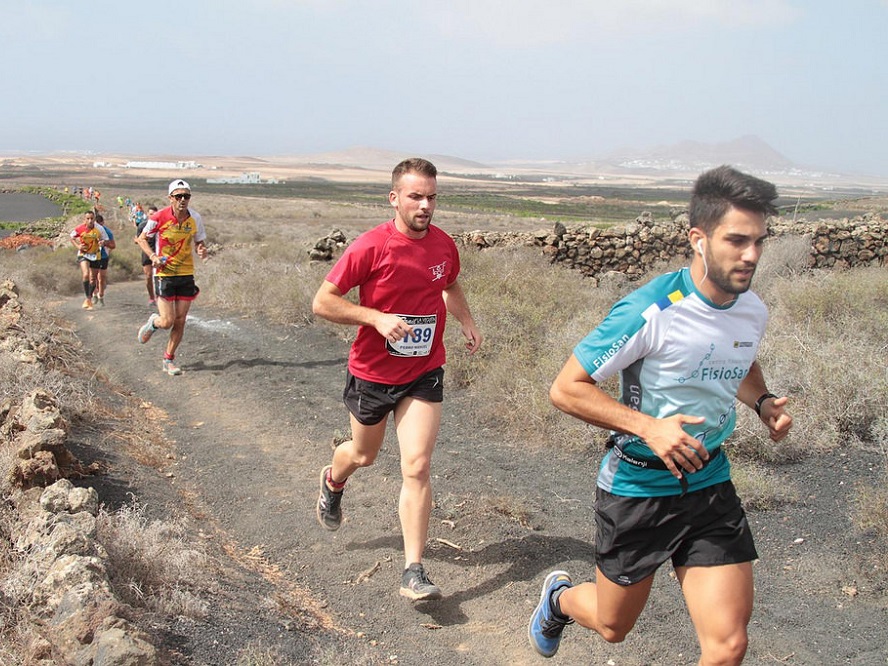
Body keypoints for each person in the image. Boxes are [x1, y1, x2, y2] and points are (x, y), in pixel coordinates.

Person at [530, 165, 794, 664]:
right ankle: (560, 601)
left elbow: (737, 359)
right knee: (613, 625)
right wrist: (648, 427)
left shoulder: (751, 309)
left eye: (760, 241)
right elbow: (566, 389)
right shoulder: (652, 309)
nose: (752, 255)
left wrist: (762, 402)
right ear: (698, 239)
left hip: (709, 483)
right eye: (737, 240)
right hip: (639, 487)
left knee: (729, 645)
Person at [312, 158, 483, 602]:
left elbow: (451, 284)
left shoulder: (443, 245)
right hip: (372, 374)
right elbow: (323, 302)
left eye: (431, 197)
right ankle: (333, 481)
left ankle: (413, 571)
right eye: (415, 196)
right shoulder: (371, 246)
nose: (425, 205)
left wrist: (465, 320)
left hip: (424, 370)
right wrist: (375, 318)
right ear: (394, 198)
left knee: (417, 465)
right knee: (363, 455)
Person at [136, 180, 208, 376]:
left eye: (186, 196)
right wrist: (153, 256)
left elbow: (199, 241)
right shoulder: (159, 217)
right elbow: (141, 239)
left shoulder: (195, 218)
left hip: (186, 273)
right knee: (167, 321)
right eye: (178, 196)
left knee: (180, 320)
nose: (183, 199)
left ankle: (168, 359)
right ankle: (154, 323)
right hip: (164, 273)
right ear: (170, 198)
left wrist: (201, 249)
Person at [69, 210, 109, 310]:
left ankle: (88, 299)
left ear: (94, 219)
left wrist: (103, 242)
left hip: (95, 255)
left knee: (93, 279)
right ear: (85, 219)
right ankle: (88, 297)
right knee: (86, 274)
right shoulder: (80, 228)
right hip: (83, 254)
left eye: (92, 218)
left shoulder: (99, 229)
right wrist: (78, 246)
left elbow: (106, 240)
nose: (90, 221)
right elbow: (71, 237)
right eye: (88, 219)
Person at [133, 203, 157, 305]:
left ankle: (161, 296)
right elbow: (138, 239)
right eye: (151, 214)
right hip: (146, 252)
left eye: (154, 214)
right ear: (147, 214)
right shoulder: (142, 225)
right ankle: (152, 297)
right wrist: (137, 240)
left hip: (158, 252)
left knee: (160, 276)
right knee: (148, 276)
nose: (152, 216)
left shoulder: (160, 225)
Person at [92, 213, 116, 307]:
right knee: (93, 277)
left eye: (100, 225)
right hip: (92, 256)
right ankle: (94, 295)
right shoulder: (90, 230)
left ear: (102, 223)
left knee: (101, 277)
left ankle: (101, 296)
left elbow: (113, 246)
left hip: (103, 256)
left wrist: (105, 244)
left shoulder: (108, 232)